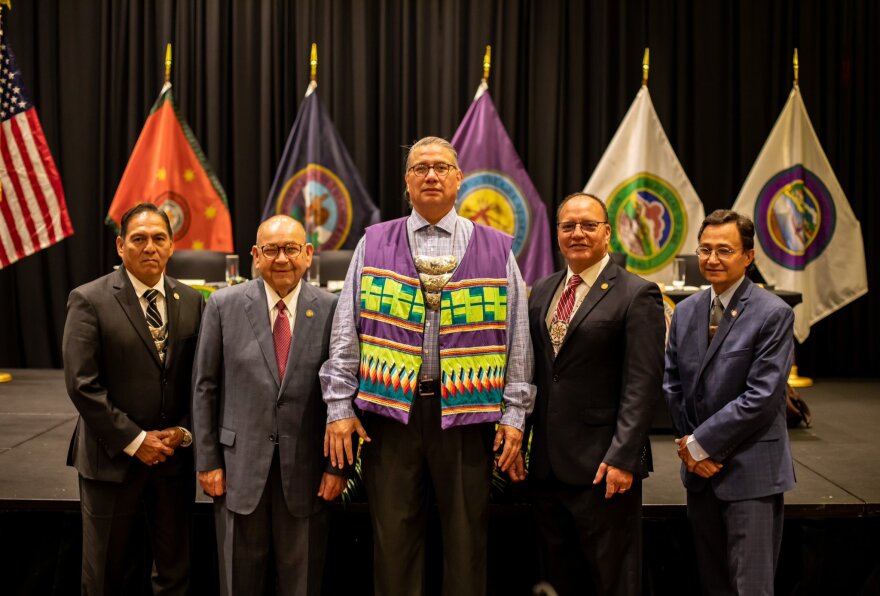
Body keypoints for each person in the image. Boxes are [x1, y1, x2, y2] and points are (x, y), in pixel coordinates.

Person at [320, 136, 535, 596]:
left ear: (459, 179)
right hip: (390, 417)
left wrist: (515, 415)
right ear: (407, 182)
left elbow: (517, 337)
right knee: (393, 546)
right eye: (420, 168)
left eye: (441, 167)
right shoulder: (373, 243)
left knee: (466, 546)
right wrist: (339, 407)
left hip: (467, 419)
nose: (431, 175)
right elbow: (346, 332)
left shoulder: (497, 249)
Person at [192, 215, 344, 596]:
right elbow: (204, 387)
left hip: (309, 473)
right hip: (236, 470)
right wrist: (207, 460)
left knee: (302, 584)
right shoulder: (224, 306)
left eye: (291, 249)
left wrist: (336, 466)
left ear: (308, 254)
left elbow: (345, 393)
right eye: (272, 250)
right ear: (255, 256)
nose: (281, 259)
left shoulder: (333, 309)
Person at [527, 192, 665, 596]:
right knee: (557, 580)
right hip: (548, 468)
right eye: (568, 226)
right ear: (557, 234)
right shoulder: (542, 290)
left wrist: (624, 456)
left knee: (611, 581)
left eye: (589, 225)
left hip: (605, 469)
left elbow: (642, 385)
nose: (578, 233)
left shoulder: (638, 294)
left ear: (607, 233)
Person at [63, 203, 204, 595]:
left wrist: (183, 431)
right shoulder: (88, 300)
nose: (150, 247)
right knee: (105, 576)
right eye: (139, 239)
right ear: (120, 246)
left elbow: (201, 381)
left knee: (175, 576)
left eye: (159, 238)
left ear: (172, 246)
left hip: (172, 462)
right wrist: (137, 441)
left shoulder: (193, 301)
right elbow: (82, 384)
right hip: (111, 461)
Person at [664, 209, 795, 595]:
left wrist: (701, 444)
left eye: (724, 250)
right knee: (713, 584)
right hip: (700, 476)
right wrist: (691, 447)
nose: (712, 259)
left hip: (749, 471)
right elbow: (673, 384)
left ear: (748, 256)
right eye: (705, 250)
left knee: (750, 587)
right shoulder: (685, 311)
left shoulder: (773, 313)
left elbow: (763, 396)